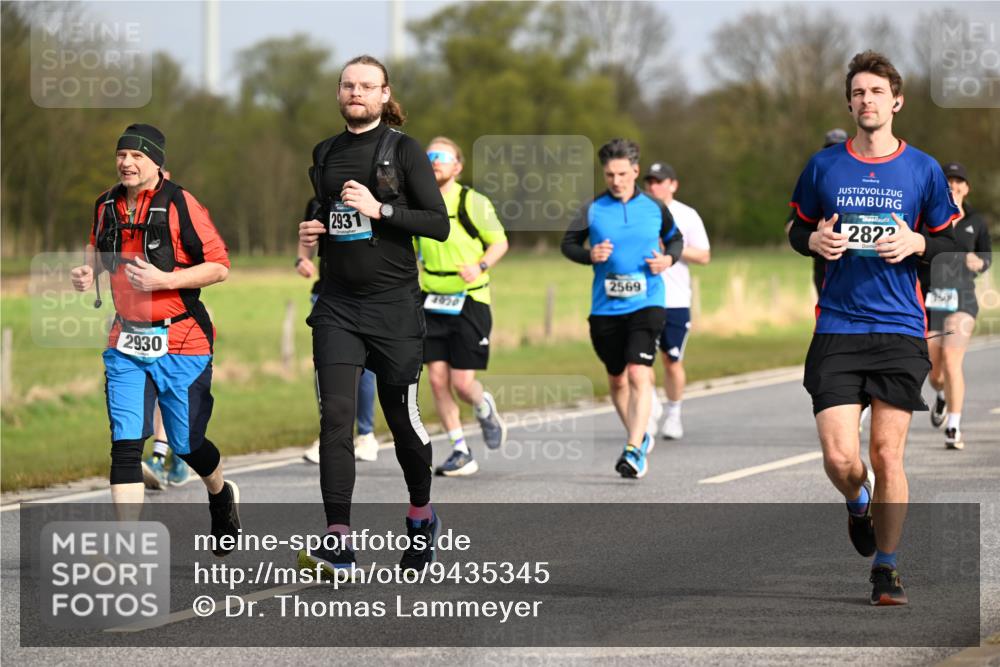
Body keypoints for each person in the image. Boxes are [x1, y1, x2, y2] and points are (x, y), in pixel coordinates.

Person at [787, 51, 958, 605]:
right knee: (841, 459)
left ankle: (886, 567)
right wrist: (811, 241)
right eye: (858, 93)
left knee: (888, 455)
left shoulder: (923, 169)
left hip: (899, 330)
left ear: (896, 101)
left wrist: (918, 243)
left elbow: (952, 243)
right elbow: (797, 226)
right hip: (837, 327)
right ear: (850, 102)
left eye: (877, 92)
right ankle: (857, 502)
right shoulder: (825, 166)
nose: (867, 101)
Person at [296, 55, 450, 574]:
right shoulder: (325, 152)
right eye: (347, 85)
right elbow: (321, 209)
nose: (355, 92)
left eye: (366, 86)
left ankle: (421, 514)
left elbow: (437, 223)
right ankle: (338, 539)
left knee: (402, 421)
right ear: (338, 94)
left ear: (385, 95)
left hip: (395, 310)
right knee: (336, 418)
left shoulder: (403, 151)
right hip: (337, 306)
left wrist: (379, 209)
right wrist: (310, 232)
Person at [70, 124, 240, 552]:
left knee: (186, 444)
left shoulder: (182, 203)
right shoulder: (106, 204)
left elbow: (219, 265)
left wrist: (167, 277)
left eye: (137, 156)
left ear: (157, 162)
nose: (126, 162)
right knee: (125, 445)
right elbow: (97, 246)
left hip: (182, 338)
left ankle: (221, 494)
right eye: (121, 155)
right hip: (125, 342)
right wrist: (88, 270)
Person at [561, 138, 683, 479]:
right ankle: (639, 434)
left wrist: (667, 259)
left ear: (635, 171)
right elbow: (568, 244)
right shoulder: (592, 209)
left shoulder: (655, 208)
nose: (616, 181)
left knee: (638, 373)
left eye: (622, 174)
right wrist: (590, 255)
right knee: (616, 381)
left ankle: (632, 449)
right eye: (609, 174)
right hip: (605, 309)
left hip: (647, 302)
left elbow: (675, 239)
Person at [416, 137, 509, 477]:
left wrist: (480, 266)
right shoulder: (419, 204)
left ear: (457, 166)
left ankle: (483, 407)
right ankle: (460, 449)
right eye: (430, 157)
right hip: (431, 299)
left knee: (461, 383)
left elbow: (500, 243)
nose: (435, 162)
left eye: (442, 157)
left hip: (470, 299)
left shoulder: (473, 201)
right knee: (437, 381)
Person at [297, 198, 379, 464]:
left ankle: (365, 435)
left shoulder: (371, 195)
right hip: (326, 295)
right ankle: (329, 434)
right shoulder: (318, 200)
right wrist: (302, 260)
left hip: (366, 295)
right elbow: (308, 235)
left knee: (364, 367)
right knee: (325, 366)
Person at [920, 161, 992, 450]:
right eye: (949, 180)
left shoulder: (976, 222)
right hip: (933, 299)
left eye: (959, 180)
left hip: (963, 298)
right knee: (935, 373)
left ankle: (953, 426)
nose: (954, 184)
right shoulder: (930, 219)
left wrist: (980, 262)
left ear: (966, 187)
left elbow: (986, 257)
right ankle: (941, 395)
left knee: (952, 359)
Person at [644, 162, 711, 440]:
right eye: (650, 181)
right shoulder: (639, 212)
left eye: (659, 181)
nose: (653, 186)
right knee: (640, 362)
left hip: (675, 299)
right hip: (643, 297)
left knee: (672, 361)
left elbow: (704, 256)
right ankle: (648, 409)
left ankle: (673, 413)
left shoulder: (687, 214)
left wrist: (672, 249)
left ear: (673, 184)